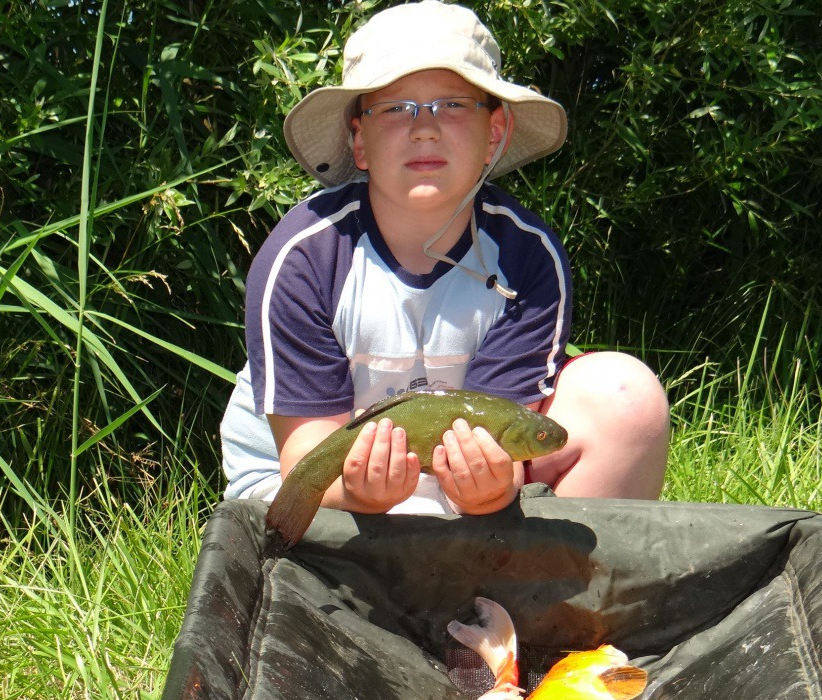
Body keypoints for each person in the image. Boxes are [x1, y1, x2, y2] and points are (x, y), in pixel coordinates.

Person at [219, 0, 670, 520]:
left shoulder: (528, 255)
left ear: (494, 134)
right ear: (358, 141)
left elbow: (498, 435)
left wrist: (492, 492)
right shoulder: (303, 257)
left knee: (625, 398)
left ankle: (529, 596)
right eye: (394, 108)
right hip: (304, 486)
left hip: (462, 486)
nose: (424, 129)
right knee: (303, 505)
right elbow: (305, 459)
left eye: (453, 105)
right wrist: (363, 493)